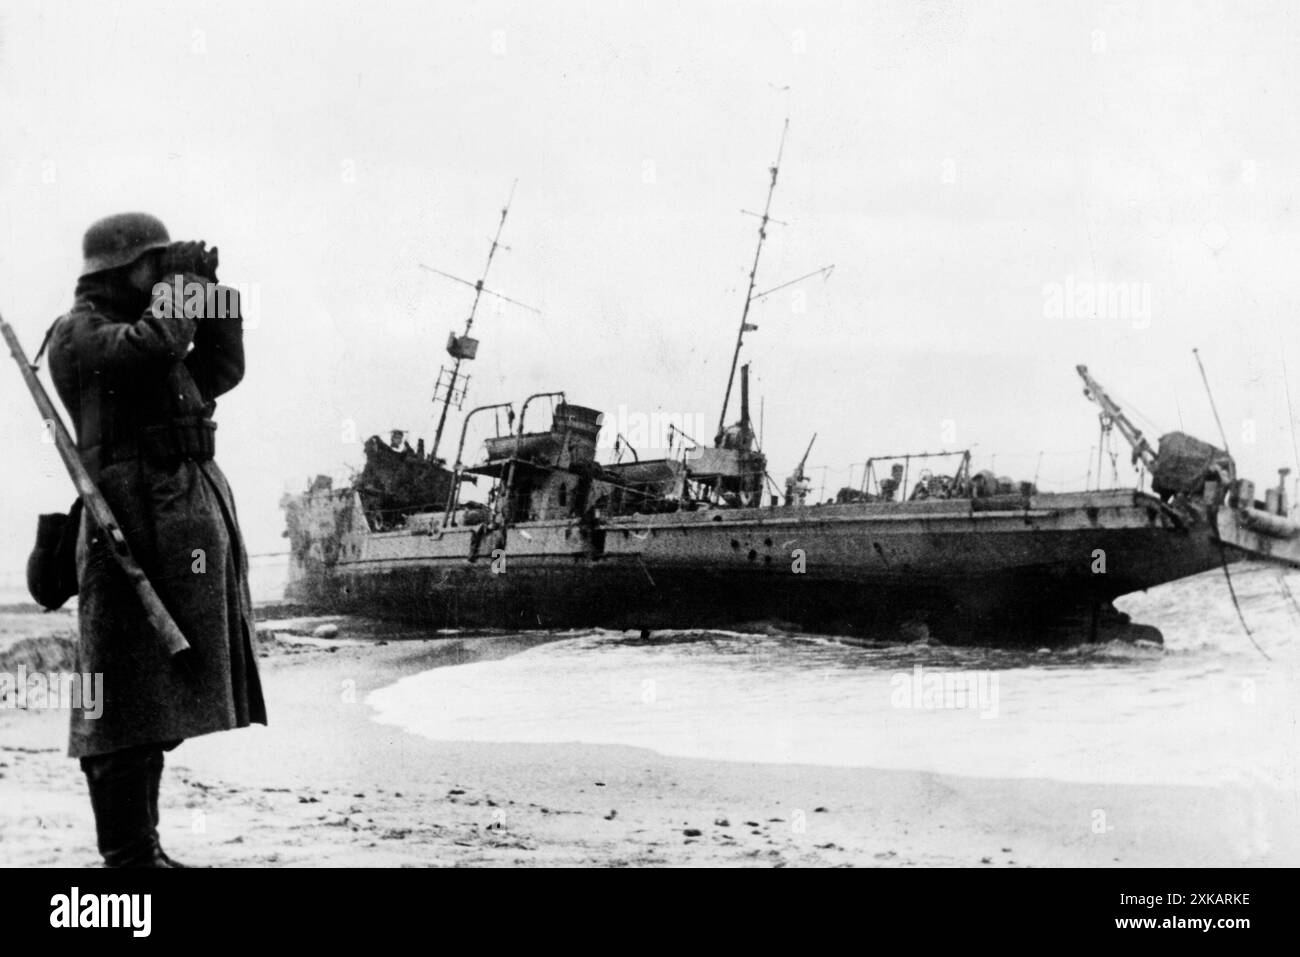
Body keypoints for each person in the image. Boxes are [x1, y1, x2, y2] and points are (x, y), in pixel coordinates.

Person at [47, 212, 267, 867]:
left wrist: (208, 292)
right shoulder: (78, 335)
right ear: (116, 271)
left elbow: (223, 365)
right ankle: (127, 852)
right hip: (125, 530)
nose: (164, 276)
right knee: (116, 700)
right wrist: (179, 289)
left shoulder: (150, 333)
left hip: (171, 524)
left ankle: (143, 847)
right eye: (154, 264)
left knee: (157, 696)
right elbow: (152, 346)